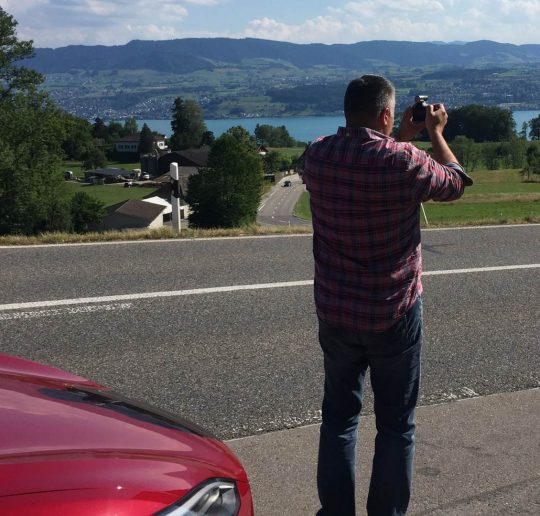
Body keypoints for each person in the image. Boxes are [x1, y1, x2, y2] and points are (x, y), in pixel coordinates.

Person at [303, 75, 472, 516]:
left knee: (339, 418)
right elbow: (455, 182)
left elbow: (365, 160)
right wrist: (434, 132)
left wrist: (399, 137)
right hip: (393, 311)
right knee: (396, 425)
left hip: (337, 310)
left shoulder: (317, 155)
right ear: (385, 114)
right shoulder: (403, 162)